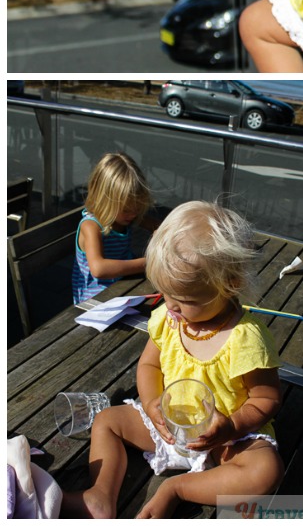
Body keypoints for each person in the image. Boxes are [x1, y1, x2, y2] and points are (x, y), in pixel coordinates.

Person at [62, 201, 284, 519]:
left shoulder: (246, 337)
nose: (171, 307)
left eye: (185, 300)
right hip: (167, 426)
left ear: (229, 285)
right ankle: (99, 495)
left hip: (223, 439)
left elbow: (267, 397)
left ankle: (178, 488)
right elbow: (149, 366)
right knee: (106, 421)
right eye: (166, 294)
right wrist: (152, 405)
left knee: (265, 470)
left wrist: (231, 426)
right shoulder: (169, 317)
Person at [72, 152, 157, 304]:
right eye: (126, 209)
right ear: (105, 200)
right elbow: (99, 269)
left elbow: (158, 226)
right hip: (95, 300)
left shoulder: (125, 217)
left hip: (123, 287)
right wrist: (148, 262)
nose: (132, 214)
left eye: (137, 208)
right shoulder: (91, 226)